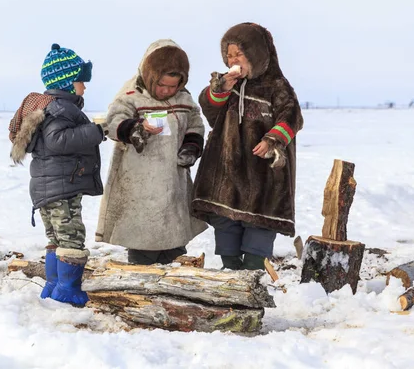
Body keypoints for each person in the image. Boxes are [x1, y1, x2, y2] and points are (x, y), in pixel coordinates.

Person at [192, 23, 304, 270]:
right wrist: (221, 90)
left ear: (256, 54)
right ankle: (230, 272)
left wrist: (271, 139)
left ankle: (254, 275)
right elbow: (210, 110)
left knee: (258, 228)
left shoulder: (277, 86)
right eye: (229, 55)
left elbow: (292, 117)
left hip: (262, 174)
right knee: (226, 223)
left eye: (239, 55)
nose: (233, 60)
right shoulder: (227, 84)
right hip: (227, 171)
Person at [9, 43, 105, 305]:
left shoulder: (49, 106)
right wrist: (98, 131)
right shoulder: (62, 108)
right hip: (62, 186)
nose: (84, 87)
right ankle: (67, 291)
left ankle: (52, 285)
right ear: (67, 83)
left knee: (55, 237)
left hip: (47, 186)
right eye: (81, 81)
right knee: (71, 237)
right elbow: (58, 140)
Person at [95, 39, 207, 265]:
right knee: (143, 239)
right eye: (161, 85)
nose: (166, 90)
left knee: (174, 240)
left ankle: (173, 285)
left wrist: (191, 147)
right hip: (139, 184)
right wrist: (135, 128)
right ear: (150, 76)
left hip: (173, 183)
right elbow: (113, 122)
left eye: (172, 86)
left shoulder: (184, 99)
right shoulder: (131, 95)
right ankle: (141, 281)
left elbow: (196, 124)